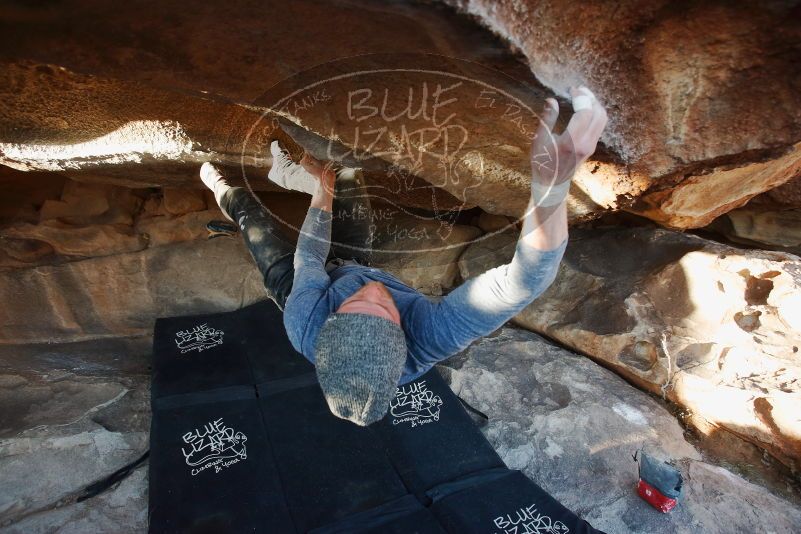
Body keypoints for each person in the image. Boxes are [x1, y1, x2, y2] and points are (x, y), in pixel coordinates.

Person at [200, 87, 607, 426]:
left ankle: (224, 186)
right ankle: (292, 178)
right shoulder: (426, 338)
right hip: (352, 262)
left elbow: (309, 255)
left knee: (251, 215)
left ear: (332, 319)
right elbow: (523, 282)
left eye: (359, 303)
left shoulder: (303, 318)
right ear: (405, 335)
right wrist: (552, 190)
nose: (377, 292)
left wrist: (321, 193)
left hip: (301, 281)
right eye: (388, 310)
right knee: (347, 175)